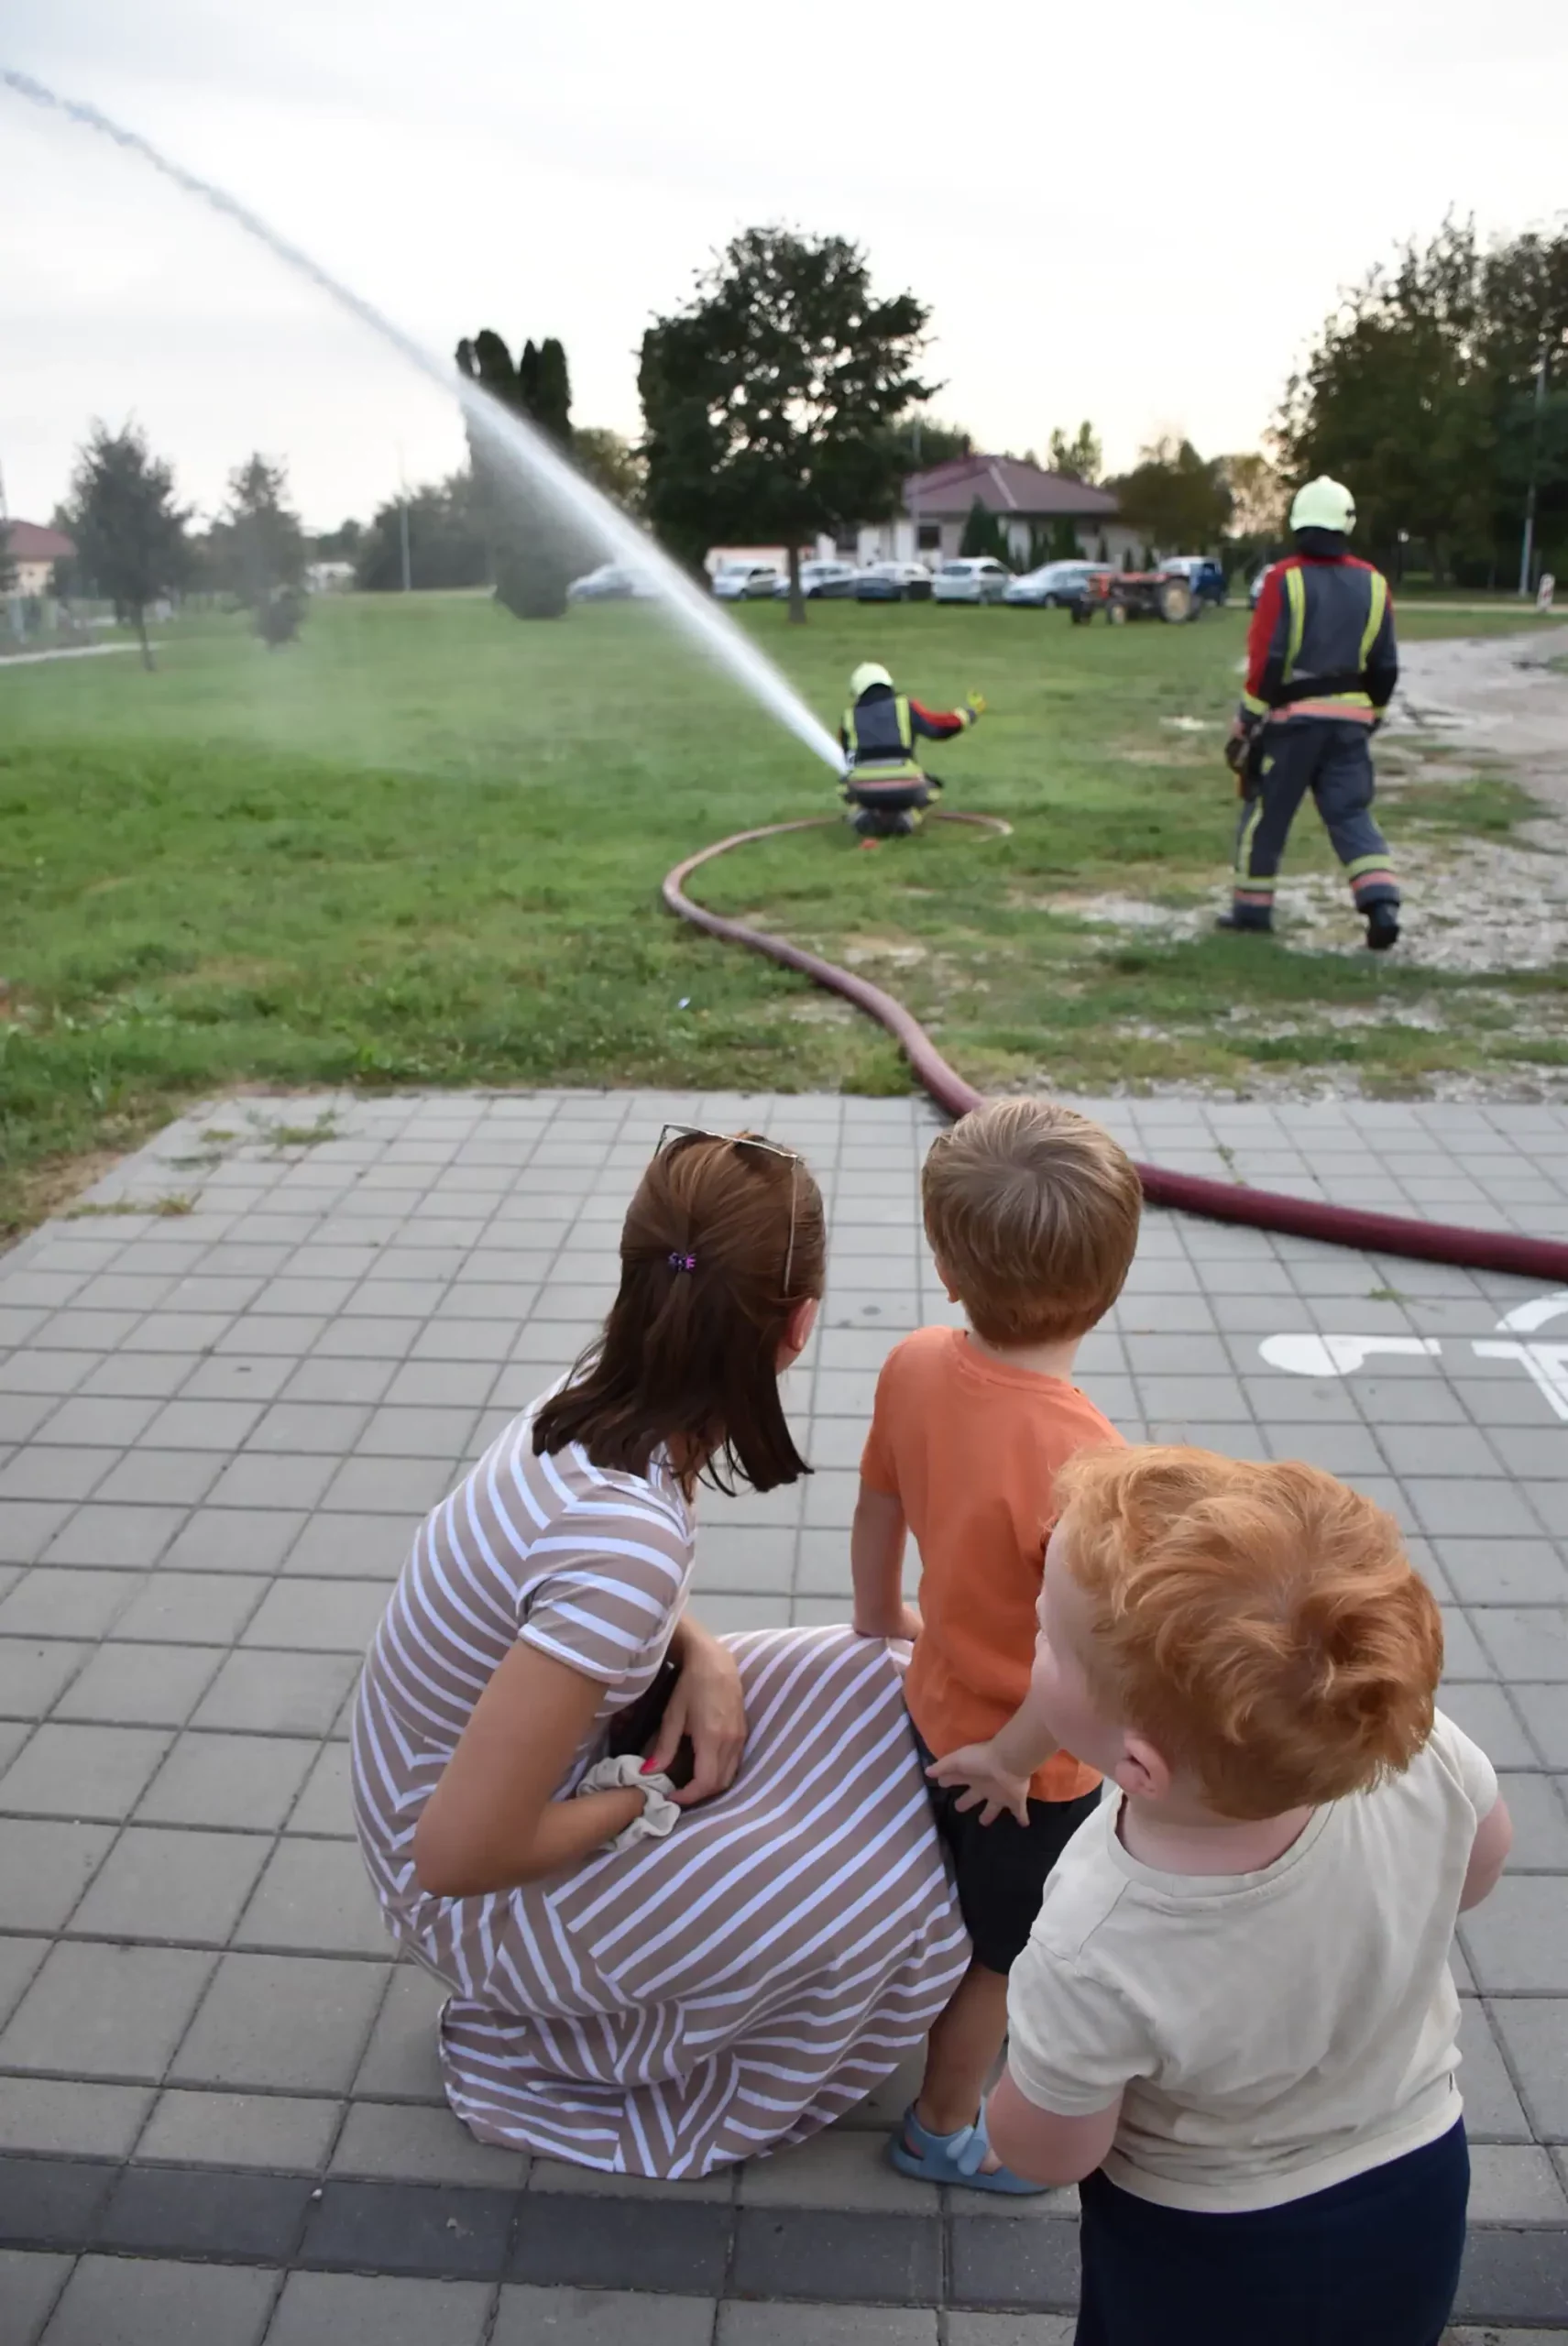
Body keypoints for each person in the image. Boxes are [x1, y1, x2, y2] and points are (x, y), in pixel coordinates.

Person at [352, 1126, 967, 2175]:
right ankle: (611, 2060)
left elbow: (569, 1595)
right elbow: (455, 1857)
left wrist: (706, 1656)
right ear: (800, 1323)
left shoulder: (598, 1391)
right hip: (474, 1903)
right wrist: (648, 1799)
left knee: (889, 1675)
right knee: (897, 1899)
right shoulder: (624, 1537)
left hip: (481, 1789)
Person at [987, 1445, 1512, 2346]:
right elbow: (1478, 1866)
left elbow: (1049, 2150)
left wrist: (1014, 2096)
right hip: (1417, 2169)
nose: (1035, 1635)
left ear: (1138, 1767)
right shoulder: (1414, 1750)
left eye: (1046, 1636)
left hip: (1204, 2243)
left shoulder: (1096, 1934)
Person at [850, 1098, 1142, 2190]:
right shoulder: (1089, 1464)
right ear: (1109, 1287)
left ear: (946, 1268)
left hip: (933, 1703)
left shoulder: (915, 1363)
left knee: (953, 1897)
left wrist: (880, 1614)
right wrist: (1016, 1758)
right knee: (1001, 1955)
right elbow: (1089, 1658)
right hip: (1031, 1764)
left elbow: (879, 1503)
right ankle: (940, 2127)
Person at [1221, 475, 1401, 949]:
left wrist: (1246, 721)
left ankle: (1251, 911)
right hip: (1351, 725)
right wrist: (1373, 714)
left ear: (1298, 524)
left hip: (1292, 725)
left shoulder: (1284, 580)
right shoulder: (1375, 583)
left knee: (1266, 817)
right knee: (1351, 815)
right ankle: (1381, 903)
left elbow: (1269, 660)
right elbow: (1385, 664)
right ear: (1346, 525)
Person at [839, 660, 985, 839]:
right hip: (905, 784)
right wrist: (969, 713)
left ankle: (859, 815)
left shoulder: (848, 716)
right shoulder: (905, 706)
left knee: (843, 785)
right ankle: (908, 818)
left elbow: (848, 756)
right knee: (933, 787)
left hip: (865, 788)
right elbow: (939, 728)